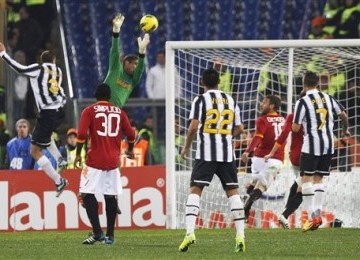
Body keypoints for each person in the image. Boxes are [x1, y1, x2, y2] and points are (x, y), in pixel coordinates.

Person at [179, 68, 246, 253]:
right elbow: (240, 128)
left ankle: (190, 233)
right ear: (219, 82)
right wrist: (224, 136)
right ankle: (241, 235)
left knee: (195, 190)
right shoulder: (230, 100)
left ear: (202, 82)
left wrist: (186, 147)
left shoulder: (200, 99)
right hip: (227, 154)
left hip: (206, 153)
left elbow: (193, 126)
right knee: (233, 193)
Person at [0, 42, 68, 197]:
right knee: (45, 137)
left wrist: (3, 54)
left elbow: (20, 69)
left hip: (48, 112)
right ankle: (60, 159)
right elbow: (61, 91)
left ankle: (59, 181)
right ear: (54, 61)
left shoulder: (38, 69)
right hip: (59, 111)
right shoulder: (58, 71)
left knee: (34, 150)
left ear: (41, 61)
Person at [74, 83, 136, 245]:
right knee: (110, 195)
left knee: (86, 193)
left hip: (94, 159)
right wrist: (130, 149)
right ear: (109, 97)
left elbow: (81, 134)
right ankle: (110, 235)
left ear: (95, 95)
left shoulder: (89, 111)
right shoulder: (120, 112)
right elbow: (131, 134)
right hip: (113, 161)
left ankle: (97, 231)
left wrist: (79, 154)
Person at [292, 71, 349, 232]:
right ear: (318, 83)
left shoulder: (302, 102)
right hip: (328, 145)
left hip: (311, 145)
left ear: (304, 83)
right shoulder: (329, 98)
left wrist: (296, 124)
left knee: (306, 180)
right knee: (319, 180)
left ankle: (312, 216)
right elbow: (343, 115)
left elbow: (295, 128)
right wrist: (345, 131)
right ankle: (317, 214)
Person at [241, 95, 286, 221]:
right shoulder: (283, 120)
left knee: (255, 185)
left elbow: (258, 137)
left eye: (264, 102)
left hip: (258, 159)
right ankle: (247, 205)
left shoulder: (262, 119)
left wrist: (247, 151)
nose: (261, 104)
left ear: (272, 106)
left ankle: (246, 196)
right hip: (275, 159)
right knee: (261, 187)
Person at [263, 112, 304, 229]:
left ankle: (285, 214)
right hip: (308, 155)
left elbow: (284, 134)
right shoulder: (315, 114)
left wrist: (272, 152)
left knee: (299, 183)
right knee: (307, 186)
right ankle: (285, 215)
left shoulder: (293, 115)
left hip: (294, 155)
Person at [104, 14, 150, 108]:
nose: (136, 67)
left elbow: (141, 68)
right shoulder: (115, 69)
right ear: (127, 62)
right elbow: (115, 51)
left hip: (116, 111)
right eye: (135, 64)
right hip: (102, 107)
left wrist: (142, 53)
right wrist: (116, 31)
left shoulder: (133, 80)